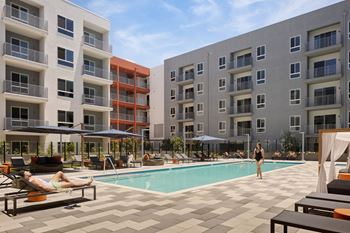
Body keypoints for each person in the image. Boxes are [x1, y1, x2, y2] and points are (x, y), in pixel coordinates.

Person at [19, 171, 93, 192]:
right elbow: (42, 187)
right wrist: (55, 190)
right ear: (25, 175)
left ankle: (68, 182)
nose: (28, 171)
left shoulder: (30, 178)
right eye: (26, 172)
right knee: (71, 183)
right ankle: (87, 182)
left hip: (50, 183)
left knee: (59, 173)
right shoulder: (32, 180)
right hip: (52, 186)